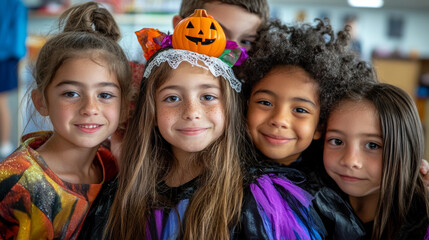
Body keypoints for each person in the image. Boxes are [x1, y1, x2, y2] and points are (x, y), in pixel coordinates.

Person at [79, 9, 325, 240]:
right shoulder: (120, 195)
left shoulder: (263, 199)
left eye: (208, 97)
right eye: (172, 98)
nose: (191, 113)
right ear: (152, 111)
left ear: (230, 108)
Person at [0, 2, 131, 239]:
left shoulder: (111, 166)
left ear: (124, 106)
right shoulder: (14, 184)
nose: (90, 108)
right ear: (41, 101)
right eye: (71, 93)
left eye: (105, 95)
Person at [235, 19, 375, 239]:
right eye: (265, 103)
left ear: (320, 125)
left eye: (300, 110)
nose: (279, 120)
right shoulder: (223, 174)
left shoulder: (332, 188)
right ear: (245, 105)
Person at [110, 0, 270, 161]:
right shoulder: (140, 85)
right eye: (216, 32)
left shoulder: (257, 97)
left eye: (246, 42)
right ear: (180, 25)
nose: (231, 50)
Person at [323, 82, 429, 239]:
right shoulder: (308, 197)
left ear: (404, 151)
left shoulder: (421, 223)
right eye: (337, 141)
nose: (350, 160)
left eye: (372, 145)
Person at [0, 0, 27, 159]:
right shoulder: (16, 3)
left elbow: (18, 33)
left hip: (5, 57)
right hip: (7, 56)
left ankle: (4, 145)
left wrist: (16, 56)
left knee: (1, 100)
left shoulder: (14, 3)